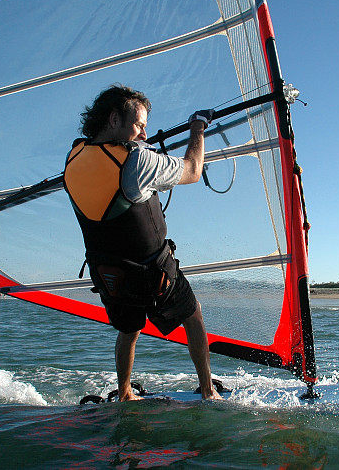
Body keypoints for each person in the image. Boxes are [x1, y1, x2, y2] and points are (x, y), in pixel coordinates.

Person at [63, 84, 221, 401]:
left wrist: (138, 143)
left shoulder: (74, 157)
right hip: (153, 272)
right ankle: (208, 391)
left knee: (129, 329)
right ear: (113, 119)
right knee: (193, 316)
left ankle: (124, 393)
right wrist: (197, 128)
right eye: (139, 125)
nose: (144, 134)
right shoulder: (137, 163)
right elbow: (191, 169)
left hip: (110, 277)